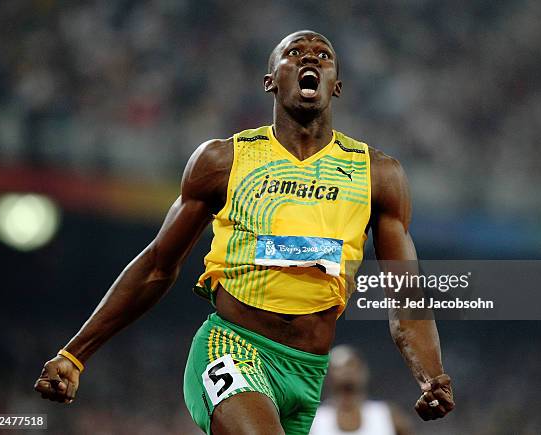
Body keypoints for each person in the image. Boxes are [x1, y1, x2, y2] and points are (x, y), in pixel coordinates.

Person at [34, 30, 454, 435]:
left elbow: (405, 295)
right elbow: (157, 266)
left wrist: (430, 375)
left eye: (323, 55)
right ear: (271, 81)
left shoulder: (377, 174)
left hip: (306, 372)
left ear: (336, 86)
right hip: (232, 347)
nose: (310, 57)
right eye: (294, 53)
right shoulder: (223, 160)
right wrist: (75, 354)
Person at [310, 345, 413, 435]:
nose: (346, 372)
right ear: (327, 378)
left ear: (363, 372)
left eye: (351, 365)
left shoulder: (389, 417)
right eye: (337, 368)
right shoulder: (313, 423)